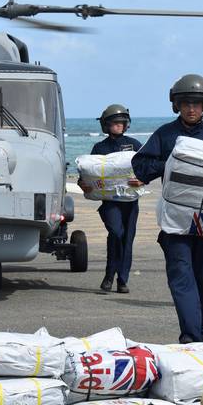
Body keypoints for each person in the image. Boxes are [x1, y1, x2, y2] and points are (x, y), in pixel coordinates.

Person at [131, 74, 203, 343]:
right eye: (185, 103)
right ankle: (191, 336)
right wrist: (172, 163)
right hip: (176, 221)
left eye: (197, 104)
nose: (191, 108)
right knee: (181, 278)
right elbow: (141, 166)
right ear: (176, 105)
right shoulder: (165, 134)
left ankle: (198, 329)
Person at [78, 104, 143, 293]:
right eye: (115, 123)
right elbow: (88, 174)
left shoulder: (135, 145)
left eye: (122, 122)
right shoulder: (99, 147)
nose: (119, 126)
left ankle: (121, 280)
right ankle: (109, 274)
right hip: (110, 203)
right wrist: (84, 184)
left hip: (130, 202)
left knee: (127, 239)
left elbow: (145, 167)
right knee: (116, 233)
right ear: (106, 125)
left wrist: (141, 180)